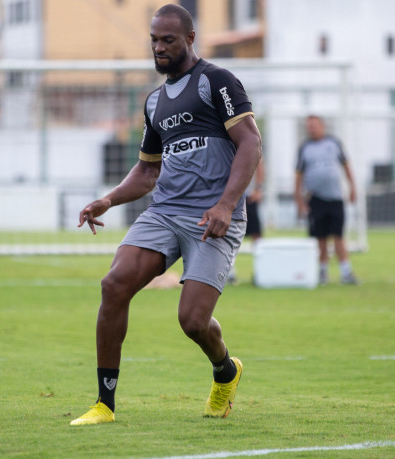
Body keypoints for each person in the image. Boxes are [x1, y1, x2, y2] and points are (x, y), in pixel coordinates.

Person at [71, 4, 262, 426]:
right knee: (114, 283)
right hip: (166, 212)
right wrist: (109, 199)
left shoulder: (218, 82)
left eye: (168, 40)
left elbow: (251, 143)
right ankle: (104, 404)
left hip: (212, 216)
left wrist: (226, 205)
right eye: (154, 40)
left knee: (192, 321)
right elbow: (147, 170)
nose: (158, 48)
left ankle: (225, 371)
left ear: (190, 39)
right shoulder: (154, 102)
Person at [294, 115, 359, 285]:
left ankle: (346, 272)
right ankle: (322, 272)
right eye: (309, 126)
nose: (312, 129)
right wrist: (299, 201)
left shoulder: (334, 143)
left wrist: (353, 188)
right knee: (320, 237)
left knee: (338, 235)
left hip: (335, 198)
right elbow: (298, 175)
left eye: (314, 125)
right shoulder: (304, 148)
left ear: (322, 126)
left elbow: (346, 167)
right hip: (315, 199)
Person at [227, 157, 264, 285]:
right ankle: (229, 271)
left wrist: (258, 189)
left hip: (248, 196)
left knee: (256, 234)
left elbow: (259, 162)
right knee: (227, 231)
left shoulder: (246, 138)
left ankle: (260, 270)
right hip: (229, 196)